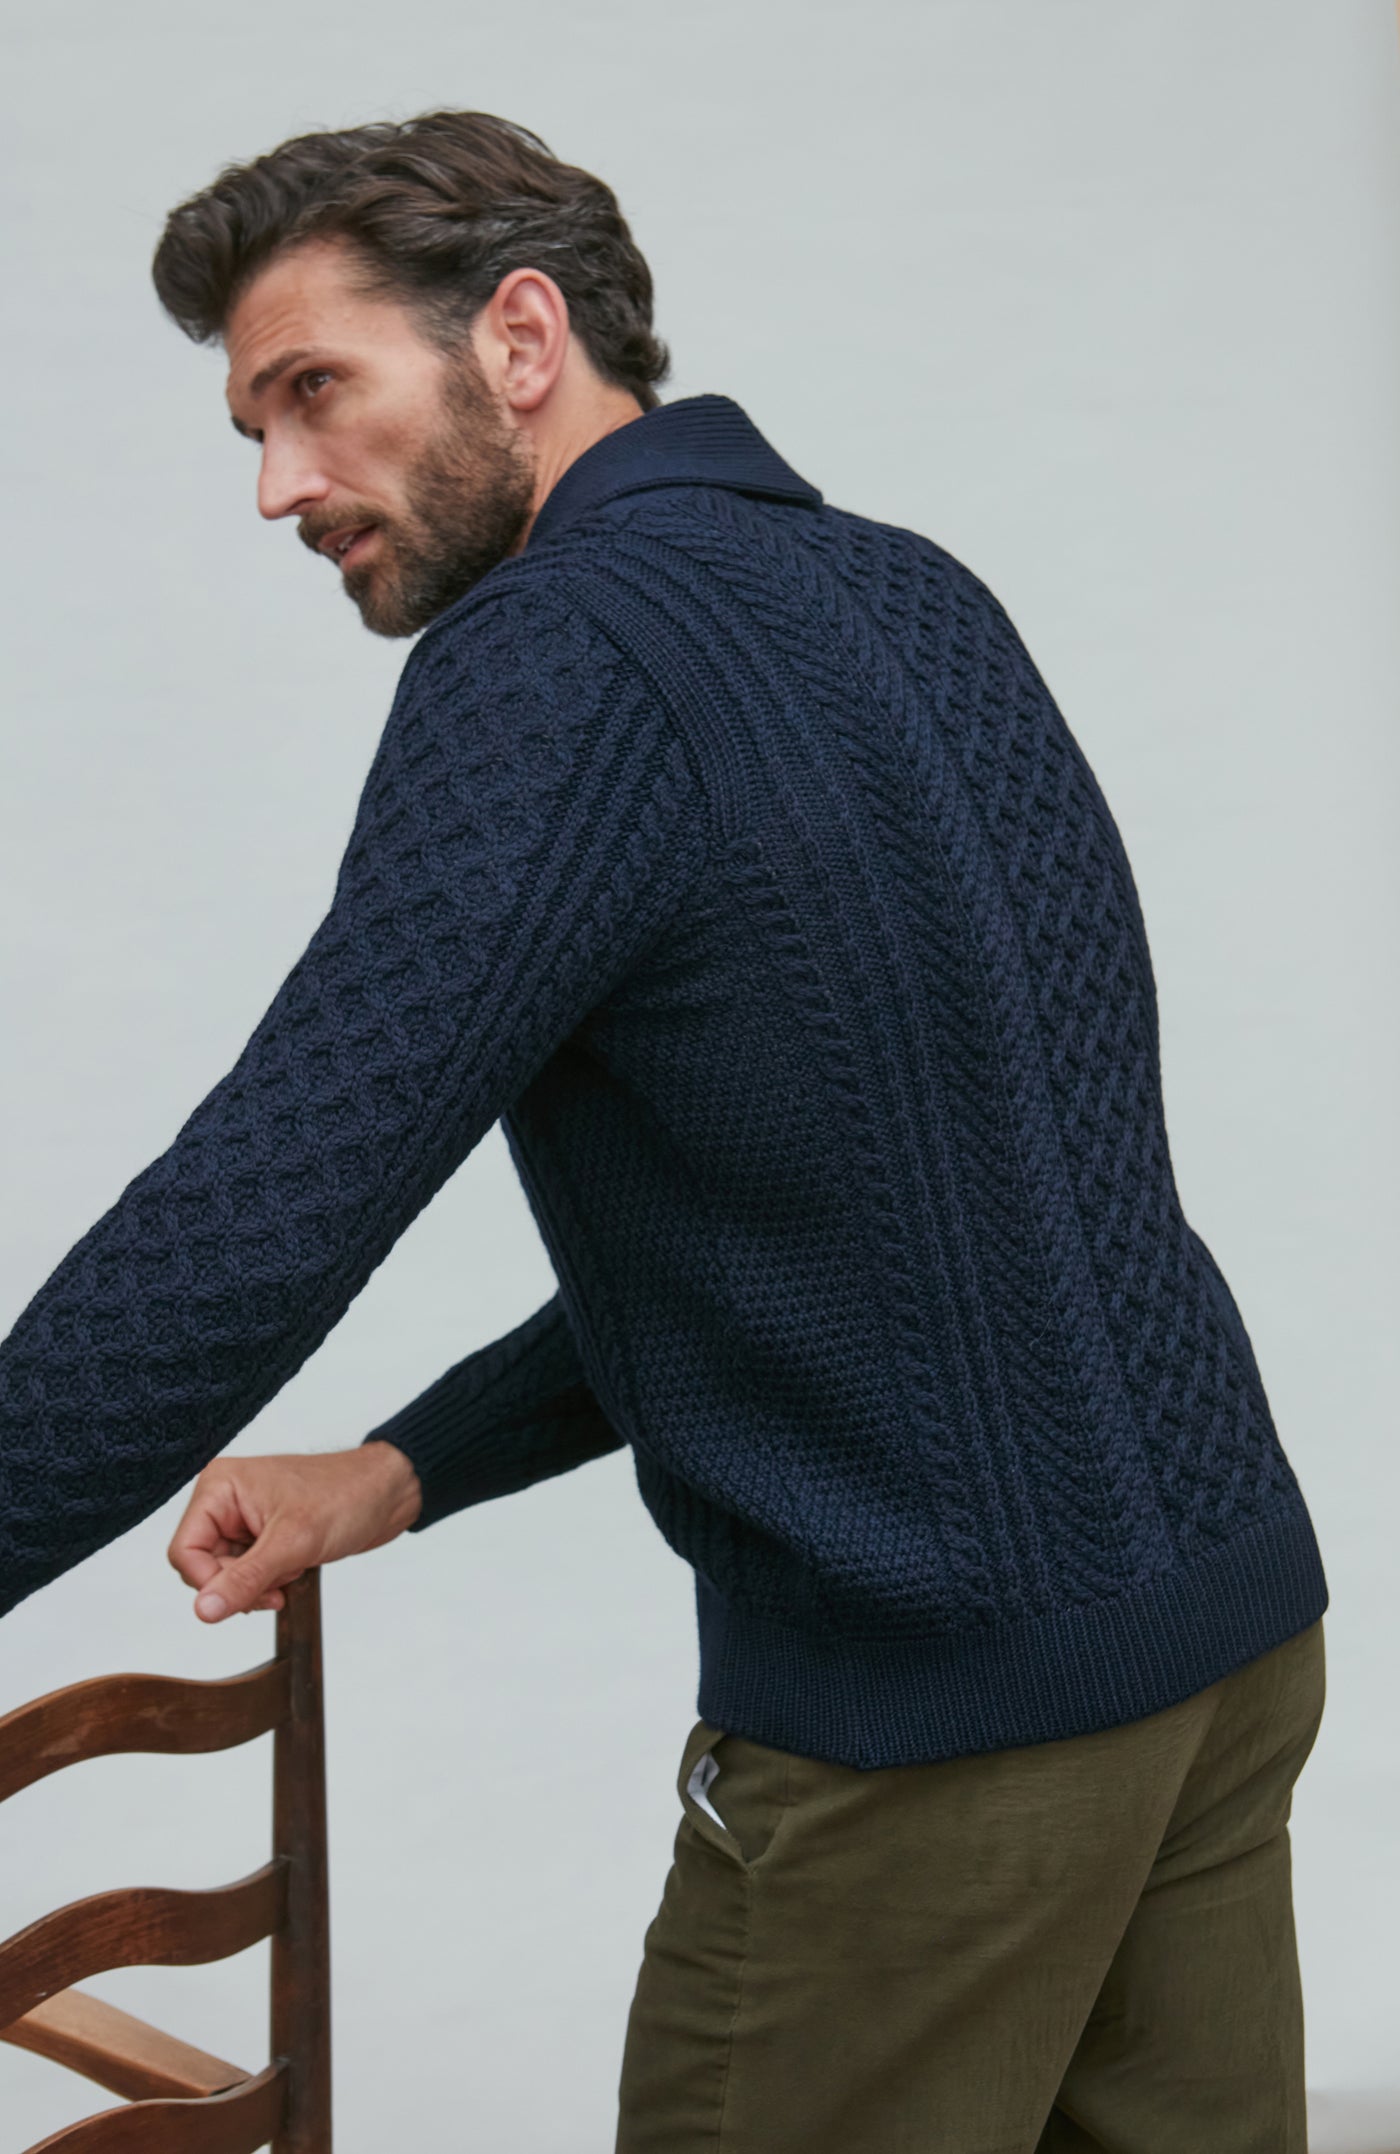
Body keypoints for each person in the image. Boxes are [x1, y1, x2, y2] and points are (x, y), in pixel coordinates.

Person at [0, 110, 1327, 2153]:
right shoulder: (904, 592)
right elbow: (892, 1206)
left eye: (313, 394)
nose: (278, 484)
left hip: (939, 1747)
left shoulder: (558, 656)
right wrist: (407, 1465)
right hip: (1220, 1650)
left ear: (518, 338)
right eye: (252, 428)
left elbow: (258, 1212)